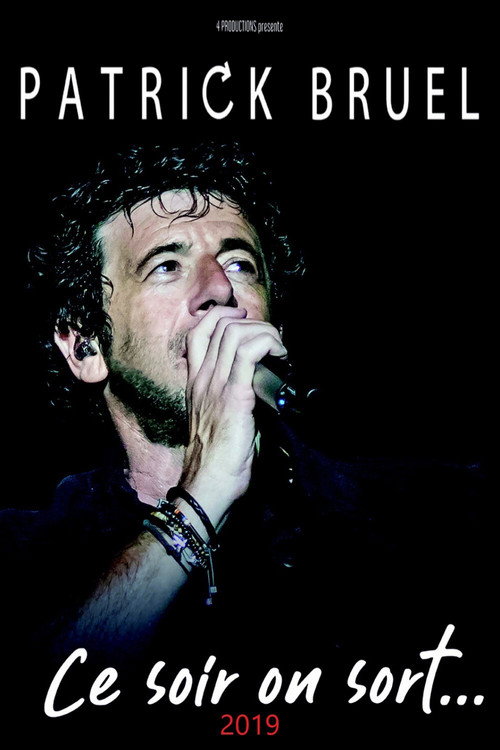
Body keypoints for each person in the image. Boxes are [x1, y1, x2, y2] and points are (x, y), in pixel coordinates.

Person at [1, 142, 488, 735]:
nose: (218, 290)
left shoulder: (438, 512)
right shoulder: (26, 552)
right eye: (165, 266)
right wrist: (199, 502)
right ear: (85, 346)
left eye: (240, 264)